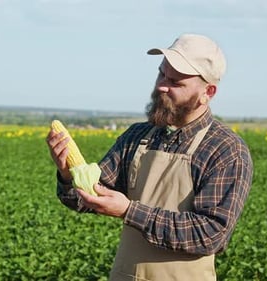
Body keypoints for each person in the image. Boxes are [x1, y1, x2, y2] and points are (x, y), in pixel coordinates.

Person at [46, 33, 253, 281]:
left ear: (207, 92)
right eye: (161, 74)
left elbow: (210, 233)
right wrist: (70, 175)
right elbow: (88, 198)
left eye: (175, 82)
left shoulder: (225, 150)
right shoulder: (137, 136)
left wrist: (129, 211)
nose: (161, 86)